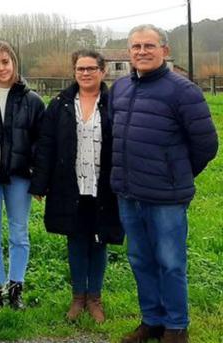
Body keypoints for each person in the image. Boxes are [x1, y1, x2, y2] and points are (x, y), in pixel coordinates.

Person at [111, 25, 217, 343]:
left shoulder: (183, 92)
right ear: (129, 52)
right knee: (140, 259)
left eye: (149, 46)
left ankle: (176, 325)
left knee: (171, 263)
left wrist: (176, 173)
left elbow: (206, 145)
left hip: (167, 197)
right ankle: (152, 321)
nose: (142, 52)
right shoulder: (120, 89)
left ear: (164, 50)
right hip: (129, 193)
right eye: (136, 47)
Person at [31, 50, 123, 324]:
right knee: (76, 240)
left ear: (102, 71)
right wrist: (40, 182)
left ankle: (95, 298)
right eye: (80, 68)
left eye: (91, 68)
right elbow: (46, 145)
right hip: (70, 185)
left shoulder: (114, 104)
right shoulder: (60, 104)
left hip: (104, 186)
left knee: (99, 240)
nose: (85, 73)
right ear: (74, 72)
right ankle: (77, 298)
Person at [0, 41, 44, 309]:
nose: (1, 68)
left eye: (5, 62)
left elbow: (41, 144)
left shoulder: (33, 101)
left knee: (19, 234)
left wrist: (38, 178)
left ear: (14, 62)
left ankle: (16, 286)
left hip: (19, 177)